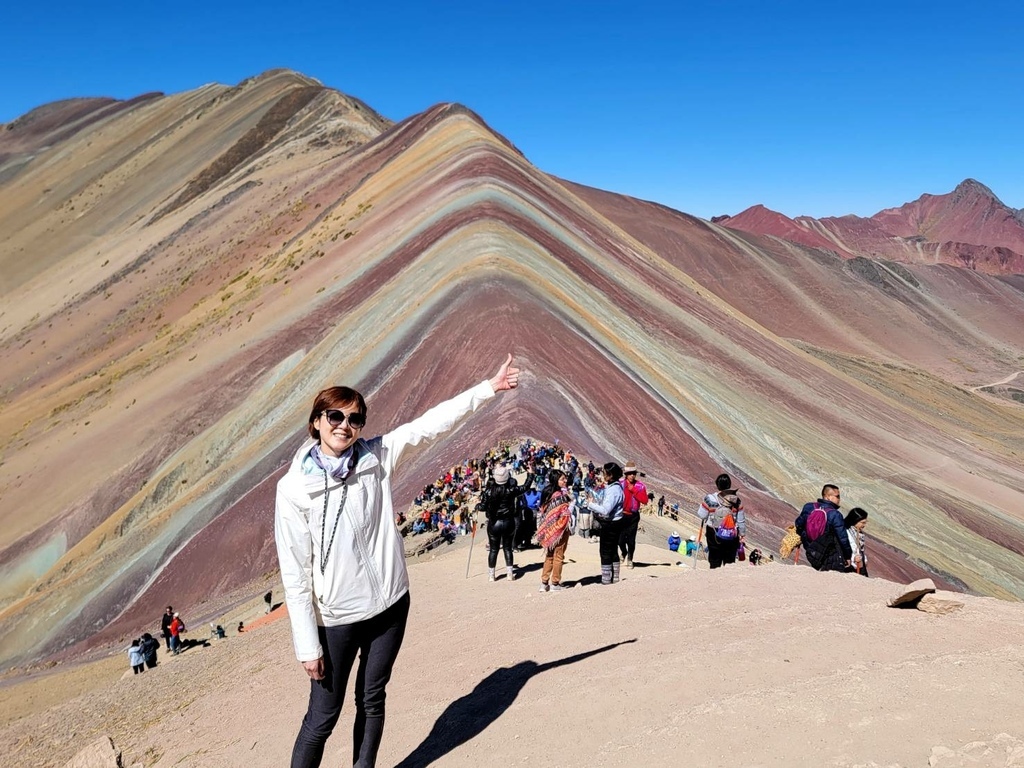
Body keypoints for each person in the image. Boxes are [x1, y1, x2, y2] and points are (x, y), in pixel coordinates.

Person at [275, 354, 520, 768]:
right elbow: (295, 574)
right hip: (337, 618)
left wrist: (487, 389)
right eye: (335, 416)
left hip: (390, 603)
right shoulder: (294, 489)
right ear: (316, 421)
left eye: (355, 420)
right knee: (322, 717)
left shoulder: (375, 458)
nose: (344, 426)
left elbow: (429, 425)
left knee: (372, 698)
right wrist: (306, 643)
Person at [479, 464, 527, 582]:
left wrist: (477, 506)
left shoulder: (489, 492)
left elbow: (482, 507)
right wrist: (530, 474)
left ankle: (491, 575)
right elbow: (525, 487)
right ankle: (510, 574)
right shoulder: (511, 490)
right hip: (508, 522)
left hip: (494, 523)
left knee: (493, 550)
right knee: (507, 548)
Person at [585, 462, 626, 585]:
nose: (603, 475)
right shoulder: (615, 487)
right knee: (613, 550)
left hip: (610, 524)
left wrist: (591, 504)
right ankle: (615, 578)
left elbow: (605, 510)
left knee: (606, 551)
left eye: (605, 473)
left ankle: (606, 580)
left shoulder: (614, 490)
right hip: (616, 522)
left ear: (611, 475)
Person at [795, 484, 851, 572]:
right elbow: (843, 538)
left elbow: (798, 525)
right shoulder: (835, 515)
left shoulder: (808, 507)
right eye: (837, 496)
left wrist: (803, 538)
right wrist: (847, 556)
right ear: (828, 496)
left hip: (811, 550)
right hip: (829, 553)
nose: (839, 499)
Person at [697, 474, 746, 568]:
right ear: (729, 485)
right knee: (729, 561)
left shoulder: (709, 499)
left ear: (717, 485)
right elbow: (741, 520)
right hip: (731, 533)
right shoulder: (737, 501)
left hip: (714, 532)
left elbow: (702, 515)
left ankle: (715, 579)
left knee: (715, 559)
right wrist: (742, 534)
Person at [536, 470, 572, 592]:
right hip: (560, 530)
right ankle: (555, 583)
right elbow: (565, 514)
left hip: (548, 530)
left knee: (549, 555)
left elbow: (543, 512)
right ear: (556, 480)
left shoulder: (546, 493)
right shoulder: (560, 497)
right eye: (562, 479)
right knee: (558, 556)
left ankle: (544, 582)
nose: (565, 481)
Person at [617, 462, 649, 568]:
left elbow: (644, 500)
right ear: (626, 474)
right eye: (630, 473)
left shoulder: (640, 486)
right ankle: (624, 552)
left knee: (631, 540)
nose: (632, 476)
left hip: (633, 517)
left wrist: (633, 490)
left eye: (634, 473)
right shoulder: (620, 484)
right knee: (620, 539)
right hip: (622, 515)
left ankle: (630, 558)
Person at [844, 507, 869, 576]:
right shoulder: (846, 532)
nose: (864, 525)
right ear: (855, 520)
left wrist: (864, 559)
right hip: (849, 568)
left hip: (859, 565)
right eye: (862, 523)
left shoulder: (859, 533)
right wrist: (853, 558)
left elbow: (860, 549)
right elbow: (843, 549)